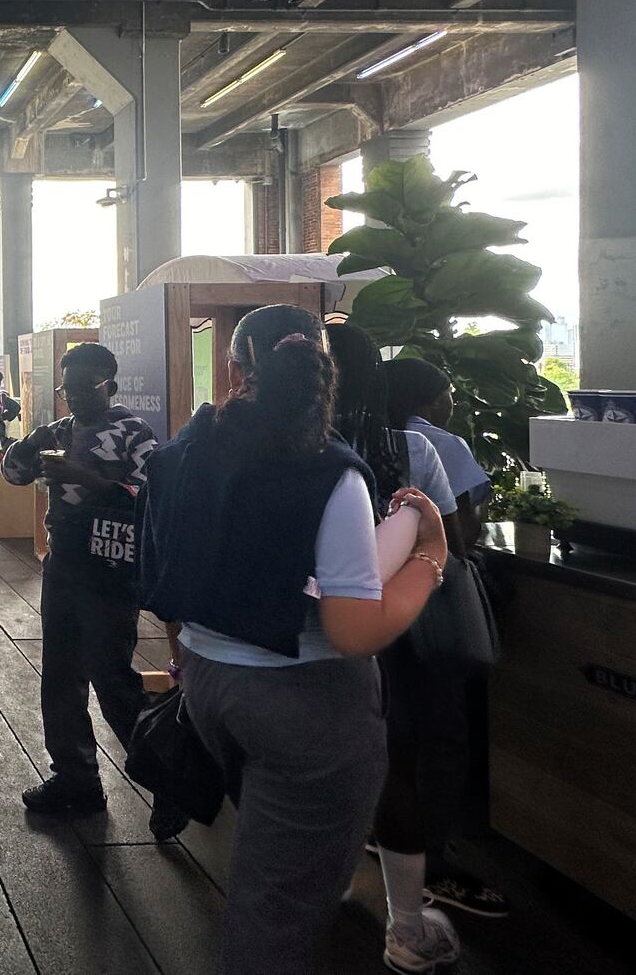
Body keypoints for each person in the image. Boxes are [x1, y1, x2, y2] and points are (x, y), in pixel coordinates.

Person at [140, 305, 448, 975]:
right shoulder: (329, 471)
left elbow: (167, 580)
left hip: (210, 683)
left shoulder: (181, 454)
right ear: (321, 369)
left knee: (273, 858)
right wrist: (429, 559)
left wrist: (189, 659)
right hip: (308, 706)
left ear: (235, 365)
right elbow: (352, 626)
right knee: (273, 918)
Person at [324, 322, 474, 969]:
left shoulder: (303, 450)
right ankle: (408, 927)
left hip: (317, 634)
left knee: (316, 767)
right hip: (397, 635)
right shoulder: (412, 449)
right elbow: (456, 546)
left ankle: (322, 886)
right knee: (398, 767)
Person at [1, 343, 168, 823]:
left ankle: (167, 775)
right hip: (65, 562)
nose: (72, 397)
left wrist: (85, 477)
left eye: (82, 388)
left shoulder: (135, 432)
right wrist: (25, 445)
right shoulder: (57, 431)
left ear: (110, 386)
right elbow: (13, 474)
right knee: (60, 675)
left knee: (112, 675)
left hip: (111, 566)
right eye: (66, 388)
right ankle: (76, 779)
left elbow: (148, 495)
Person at [386, 358, 492, 548]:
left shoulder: (366, 435)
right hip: (432, 561)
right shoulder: (444, 444)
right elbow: (464, 528)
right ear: (435, 401)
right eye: (449, 393)